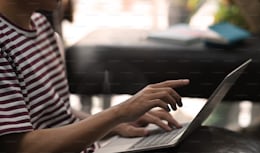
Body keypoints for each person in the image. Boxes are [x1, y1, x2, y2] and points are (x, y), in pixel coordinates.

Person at [0, 0, 190, 152]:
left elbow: (56, 112)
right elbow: (17, 147)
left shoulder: (41, 26)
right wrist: (118, 113)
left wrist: (114, 124)